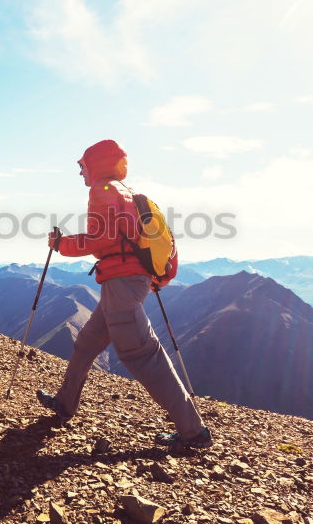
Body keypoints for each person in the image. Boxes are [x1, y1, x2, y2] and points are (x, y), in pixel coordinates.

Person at [36, 139, 211, 448]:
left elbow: (99, 240)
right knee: (87, 344)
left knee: (143, 355)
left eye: (82, 167)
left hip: (121, 284)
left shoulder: (102, 191)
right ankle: (65, 403)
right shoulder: (130, 194)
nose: (80, 174)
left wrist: (60, 244)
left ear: (96, 166)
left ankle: (194, 432)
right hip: (130, 282)